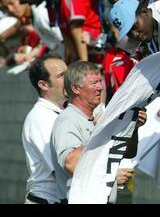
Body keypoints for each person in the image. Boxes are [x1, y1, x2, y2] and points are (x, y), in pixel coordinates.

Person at [50, 61, 146, 200]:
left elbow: (128, 152)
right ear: (76, 88)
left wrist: (131, 126)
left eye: (100, 81)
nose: (100, 87)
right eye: (94, 83)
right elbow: (71, 163)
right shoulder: (68, 120)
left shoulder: (93, 117)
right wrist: (104, 132)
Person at [22, 0, 102, 63]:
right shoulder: (52, 0)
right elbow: (65, 32)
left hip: (97, 42)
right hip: (84, 48)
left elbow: (76, 28)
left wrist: (82, 63)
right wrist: (71, 61)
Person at [22, 54, 68, 204]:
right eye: (62, 75)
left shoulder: (61, 113)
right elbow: (61, 169)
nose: (70, 78)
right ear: (43, 85)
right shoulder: (41, 118)